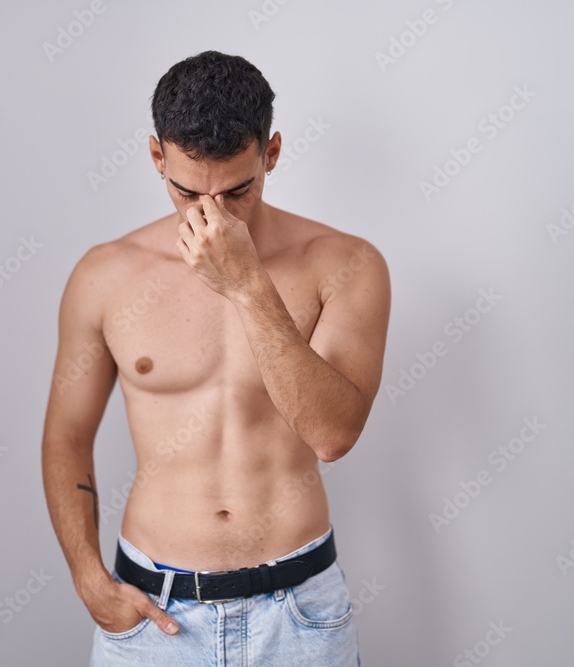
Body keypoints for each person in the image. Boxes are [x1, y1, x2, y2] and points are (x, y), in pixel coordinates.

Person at [42, 50, 390, 666]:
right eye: (186, 190)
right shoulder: (106, 274)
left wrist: (248, 285)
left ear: (271, 154)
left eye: (238, 191)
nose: (211, 214)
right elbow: (66, 435)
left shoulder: (346, 264)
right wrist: (87, 578)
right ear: (158, 158)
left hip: (299, 613)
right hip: (154, 615)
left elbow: (332, 435)